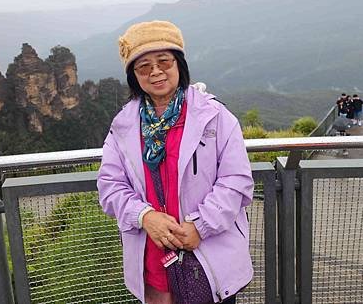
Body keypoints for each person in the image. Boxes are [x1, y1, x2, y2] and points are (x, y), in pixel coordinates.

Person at [97, 21, 254, 304]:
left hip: (209, 257)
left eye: (164, 61)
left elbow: (236, 181)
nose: (156, 71)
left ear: (179, 64)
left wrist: (201, 226)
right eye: (143, 66)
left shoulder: (214, 116)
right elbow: (110, 187)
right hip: (154, 261)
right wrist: (145, 217)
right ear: (134, 76)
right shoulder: (123, 126)